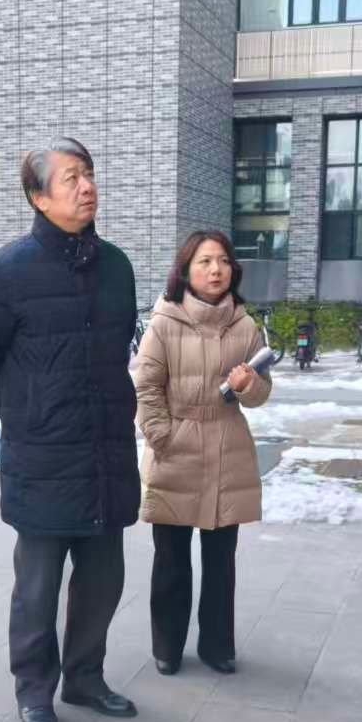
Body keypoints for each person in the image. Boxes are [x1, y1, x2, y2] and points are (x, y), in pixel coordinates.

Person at [0, 138, 140, 722]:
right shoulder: (7, 271)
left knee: (102, 580)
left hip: (105, 452)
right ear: (38, 197)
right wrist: (25, 414)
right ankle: (34, 691)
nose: (86, 187)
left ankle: (85, 678)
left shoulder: (116, 266)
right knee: (37, 587)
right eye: (70, 178)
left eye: (89, 174)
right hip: (43, 459)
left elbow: (116, 352)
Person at [133, 232, 272, 676]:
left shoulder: (245, 325)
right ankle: (167, 646)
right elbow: (146, 386)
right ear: (186, 270)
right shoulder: (164, 322)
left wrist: (250, 385)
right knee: (171, 559)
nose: (216, 270)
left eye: (224, 261)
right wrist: (163, 438)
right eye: (205, 261)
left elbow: (260, 394)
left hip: (228, 448)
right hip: (176, 447)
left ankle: (217, 646)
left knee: (220, 561)